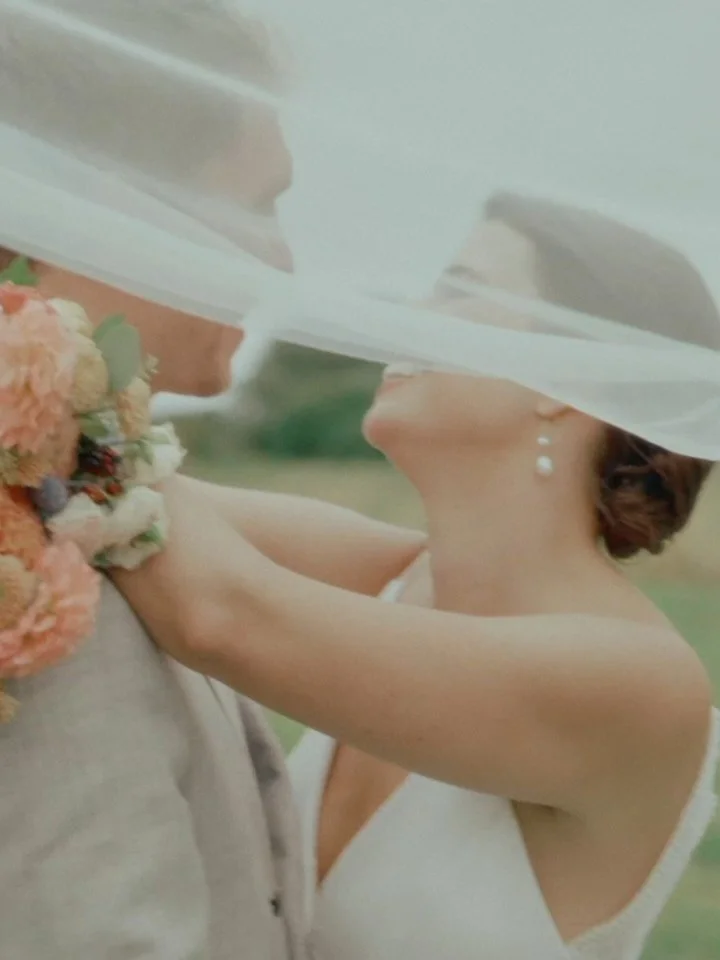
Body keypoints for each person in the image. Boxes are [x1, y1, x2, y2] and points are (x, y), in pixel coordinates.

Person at [115, 195, 719, 960]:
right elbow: (152, 491)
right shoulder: (390, 574)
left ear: (565, 378)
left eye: (460, 285)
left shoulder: (639, 685)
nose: (415, 313)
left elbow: (217, 613)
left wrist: (54, 377)